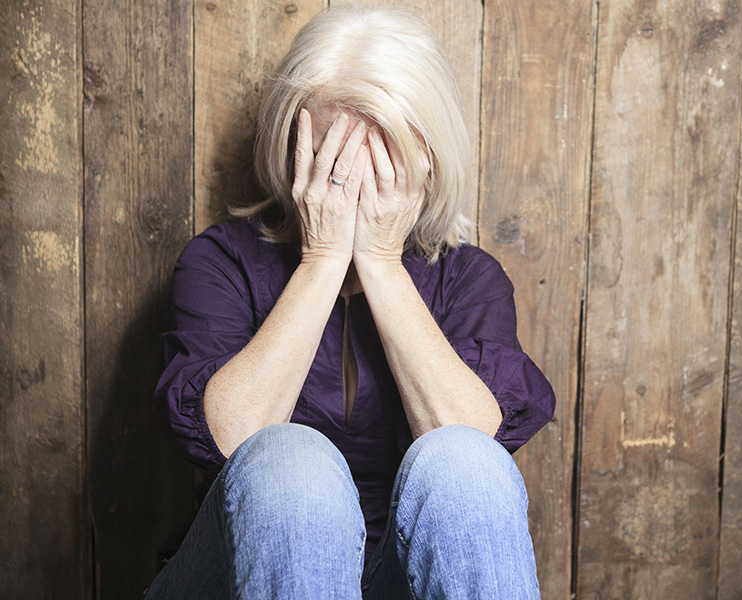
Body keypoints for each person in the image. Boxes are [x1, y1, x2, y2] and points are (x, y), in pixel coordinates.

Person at [145, 5, 555, 599]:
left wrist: (382, 263)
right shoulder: (221, 263)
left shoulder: (468, 279)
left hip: (405, 577)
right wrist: (321, 260)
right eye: (332, 157)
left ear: (428, 161)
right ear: (293, 148)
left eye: (382, 159)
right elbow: (233, 441)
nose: (354, 181)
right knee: (290, 462)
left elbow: (475, 464)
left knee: (465, 462)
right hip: (243, 572)